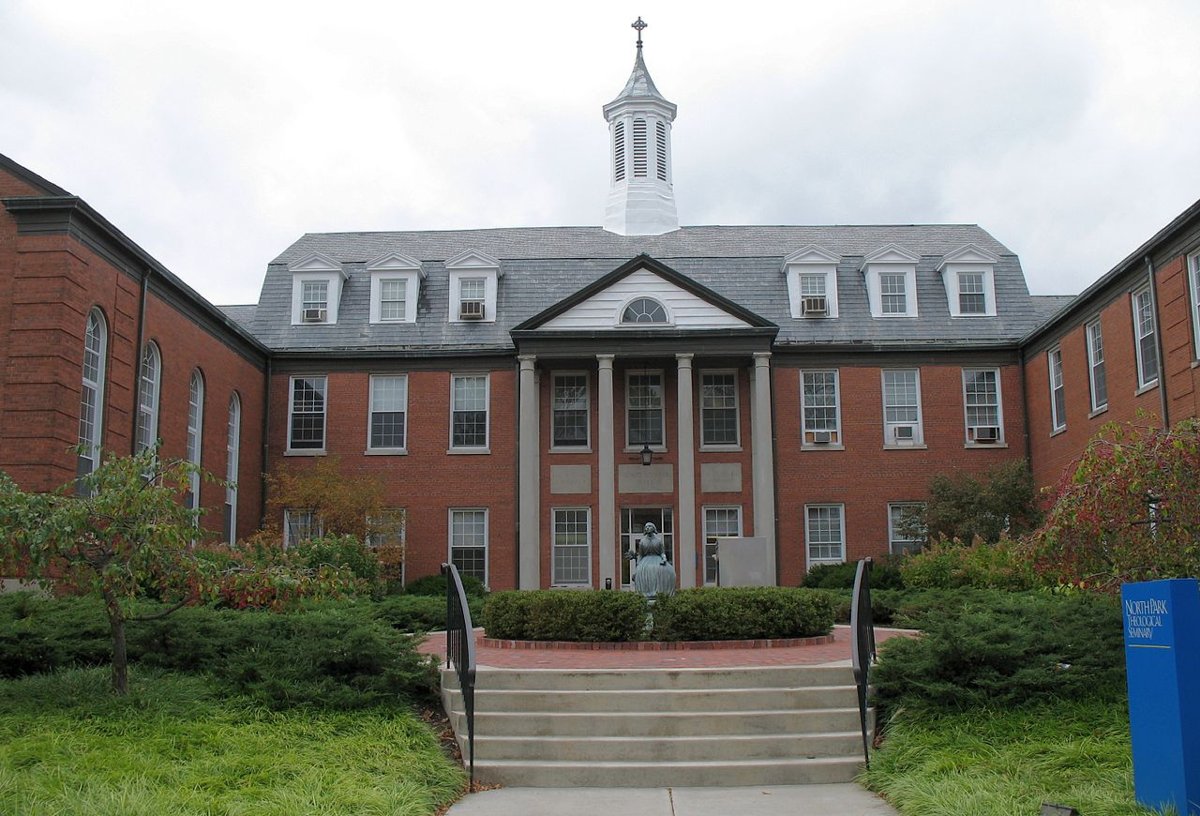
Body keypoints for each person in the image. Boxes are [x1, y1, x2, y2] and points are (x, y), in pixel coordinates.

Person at [626, 521, 676, 598]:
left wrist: (664, 559)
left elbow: (662, 552)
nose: (647, 528)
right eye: (646, 527)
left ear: (653, 528)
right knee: (644, 572)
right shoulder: (642, 542)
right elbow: (641, 555)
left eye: (649, 526)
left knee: (665, 571)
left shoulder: (659, 540)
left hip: (657, 559)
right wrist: (638, 565)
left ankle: (659, 592)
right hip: (645, 561)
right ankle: (646, 593)